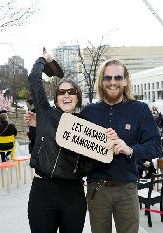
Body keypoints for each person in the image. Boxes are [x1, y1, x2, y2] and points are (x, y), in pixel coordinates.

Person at [81, 59, 161, 233]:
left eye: (118, 77)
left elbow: (155, 145)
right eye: (107, 77)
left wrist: (130, 149)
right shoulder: (88, 112)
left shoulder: (140, 109)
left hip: (127, 189)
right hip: (97, 189)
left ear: (125, 81)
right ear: (101, 81)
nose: (112, 82)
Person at [27, 49, 97, 233]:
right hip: (42, 192)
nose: (66, 95)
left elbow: (93, 161)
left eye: (71, 91)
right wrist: (44, 59)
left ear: (77, 97)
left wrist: (78, 170)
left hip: (72, 195)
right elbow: (35, 78)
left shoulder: (85, 126)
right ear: (56, 98)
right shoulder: (45, 113)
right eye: (62, 92)